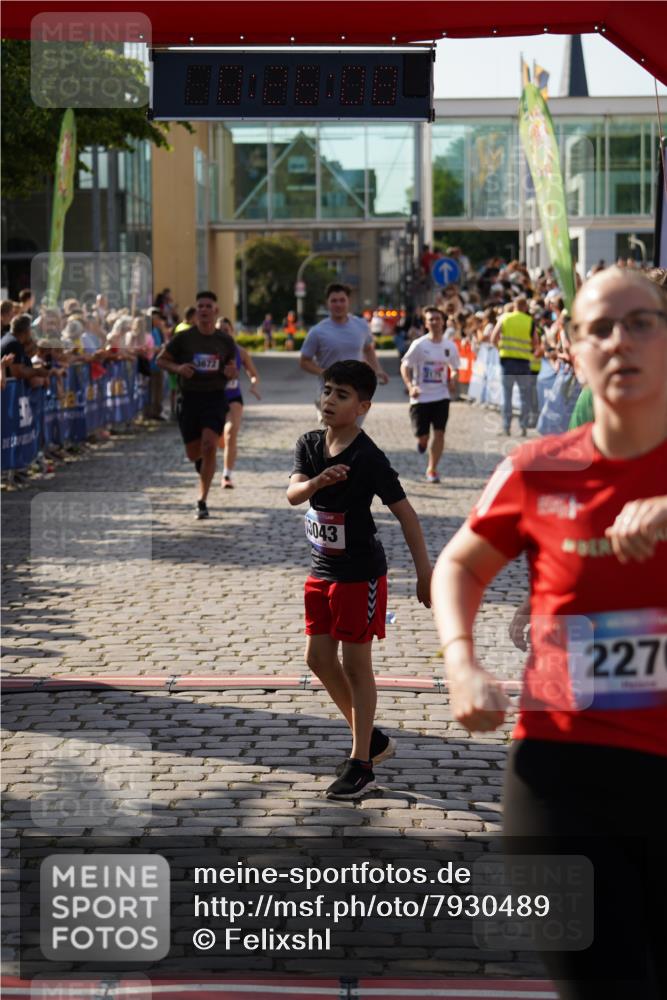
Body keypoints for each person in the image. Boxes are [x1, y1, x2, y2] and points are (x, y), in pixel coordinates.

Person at [431, 266, 667, 999]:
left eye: (640, 322)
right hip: (562, 774)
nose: (619, 341)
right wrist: (459, 661)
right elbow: (459, 567)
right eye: (597, 328)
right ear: (569, 347)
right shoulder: (536, 471)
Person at [287, 360, 432, 800]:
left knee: (355, 665)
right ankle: (372, 739)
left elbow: (406, 515)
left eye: (342, 395)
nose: (329, 400)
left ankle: (362, 764)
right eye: (327, 391)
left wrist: (425, 574)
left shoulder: (368, 457)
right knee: (317, 659)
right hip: (321, 571)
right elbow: (294, 495)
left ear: (363, 406)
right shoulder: (309, 443)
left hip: (360, 574)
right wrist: (317, 481)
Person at [157, 291, 236, 519]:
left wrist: (231, 371)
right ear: (196, 310)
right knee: (194, 453)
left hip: (214, 397)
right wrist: (178, 369)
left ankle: (202, 500)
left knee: (210, 444)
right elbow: (161, 360)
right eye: (200, 306)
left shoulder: (224, 340)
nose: (203, 310)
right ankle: (202, 463)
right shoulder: (184, 338)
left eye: (208, 306)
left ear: (216, 310)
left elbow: (232, 367)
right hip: (189, 398)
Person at [300, 284, 389, 414]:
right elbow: (304, 361)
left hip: (356, 392)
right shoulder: (317, 331)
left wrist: (378, 370)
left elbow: (368, 349)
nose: (338, 304)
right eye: (334, 301)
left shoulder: (361, 325)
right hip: (329, 393)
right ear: (327, 303)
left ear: (349, 302)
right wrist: (325, 372)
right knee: (331, 432)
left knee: (352, 433)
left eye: (342, 300)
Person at [400, 306, 460, 484]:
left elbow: (455, 368)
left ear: (443, 322)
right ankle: (422, 441)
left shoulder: (449, 346)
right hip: (420, 397)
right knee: (423, 437)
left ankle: (432, 469)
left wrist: (452, 380)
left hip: (441, 396)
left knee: (440, 434)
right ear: (426, 324)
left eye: (437, 319)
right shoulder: (419, 345)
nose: (434, 322)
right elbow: (405, 366)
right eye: (430, 319)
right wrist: (410, 386)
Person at [215, 317, 261, 488]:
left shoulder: (240, 352)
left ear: (231, 331)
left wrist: (254, 385)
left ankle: (226, 475)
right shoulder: (210, 351)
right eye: (219, 330)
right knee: (219, 439)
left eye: (226, 330)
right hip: (214, 398)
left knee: (230, 434)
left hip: (233, 397)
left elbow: (254, 373)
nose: (222, 333)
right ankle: (229, 451)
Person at [490, 294, 540, 436]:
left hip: (507, 362)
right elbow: (535, 343)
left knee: (507, 396)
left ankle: (506, 427)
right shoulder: (529, 321)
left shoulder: (505, 318)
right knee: (525, 396)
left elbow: (493, 338)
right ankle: (523, 427)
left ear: (514, 305)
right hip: (524, 363)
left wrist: (501, 349)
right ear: (525, 307)